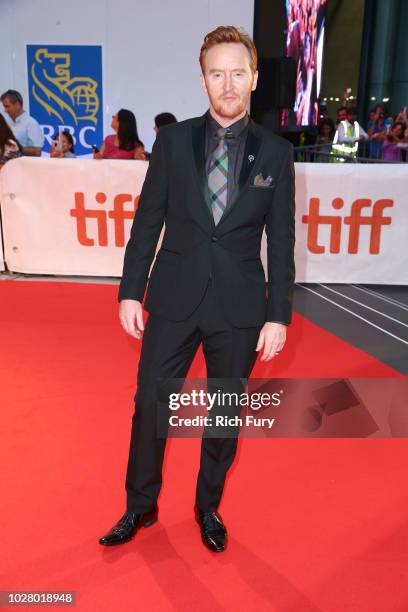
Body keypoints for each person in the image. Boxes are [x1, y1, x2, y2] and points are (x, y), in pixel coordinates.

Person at [99, 26, 295, 553]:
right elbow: (148, 220)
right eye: (216, 74)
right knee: (150, 406)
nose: (227, 84)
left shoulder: (276, 154)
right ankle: (139, 506)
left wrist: (279, 314)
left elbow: (281, 238)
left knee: (224, 412)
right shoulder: (173, 141)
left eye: (237, 73)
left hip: (240, 306)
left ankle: (207, 508)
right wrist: (129, 291)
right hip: (173, 299)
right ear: (203, 80)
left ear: (254, 78)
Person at [0, 89, 44, 156]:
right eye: (4, 107)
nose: (5, 110)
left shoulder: (31, 123)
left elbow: (37, 152)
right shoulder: (6, 122)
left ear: (17, 104)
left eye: (7, 106)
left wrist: (17, 148)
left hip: (23, 165)